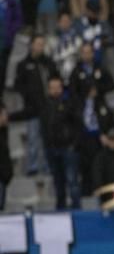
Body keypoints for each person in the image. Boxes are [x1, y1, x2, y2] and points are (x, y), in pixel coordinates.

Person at [13, 34, 56, 175]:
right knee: (33, 138)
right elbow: (18, 85)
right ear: (32, 45)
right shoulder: (24, 64)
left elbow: (56, 79)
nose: (40, 47)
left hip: (49, 107)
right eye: (38, 44)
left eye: (42, 44)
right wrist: (29, 96)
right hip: (32, 109)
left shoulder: (48, 63)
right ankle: (32, 166)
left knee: (49, 138)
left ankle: (48, 166)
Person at [40, 75, 80, 210]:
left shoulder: (69, 103)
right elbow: (44, 127)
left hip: (68, 148)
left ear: (62, 88)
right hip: (52, 149)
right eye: (53, 88)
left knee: (72, 181)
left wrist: (73, 144)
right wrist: (47, 145)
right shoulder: (45, 105)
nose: (56, 90)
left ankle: (76, 209)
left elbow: (78, 124)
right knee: (58, 183)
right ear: (48, 89)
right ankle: (60, 210)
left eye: (58, 87)